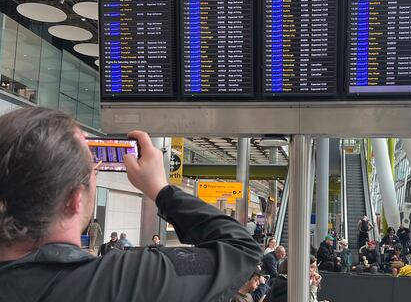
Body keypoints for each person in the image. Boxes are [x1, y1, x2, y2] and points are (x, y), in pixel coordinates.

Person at [0, 108, 262, 301]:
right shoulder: (121, 282)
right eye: (94, 172)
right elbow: (240, 249)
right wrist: (161, 189)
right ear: (74, 200)